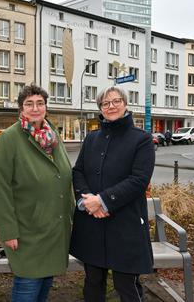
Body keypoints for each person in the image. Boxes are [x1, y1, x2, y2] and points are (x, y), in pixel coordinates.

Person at [0, 84, 74, 302]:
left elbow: (63, 175)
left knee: (43, 287)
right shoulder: (10, 138)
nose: (35, 108)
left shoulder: (53, 136)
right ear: (21, 109)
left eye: (40, 103)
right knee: (28, 286)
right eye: (29, 104)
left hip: (53, 228)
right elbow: (0, 187)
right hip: (27, 230)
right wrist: (8, 231)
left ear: (46, 107)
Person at [70, 86, 155, 302]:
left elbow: (139, 180)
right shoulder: (91, 138)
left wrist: (103, 201)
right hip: (92, 223)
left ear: (125, 104)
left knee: (126, 284)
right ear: (100, 108)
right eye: (105, 103)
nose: (111, 106)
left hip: (125, 224)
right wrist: (87, 200)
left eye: (116, 101)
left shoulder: (142, 140)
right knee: (93, 282)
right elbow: (78, 171)